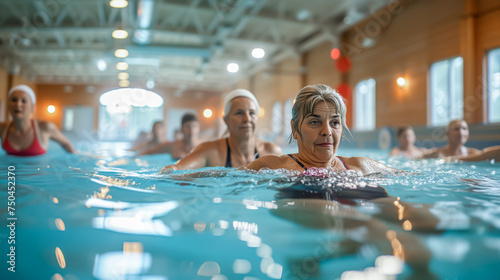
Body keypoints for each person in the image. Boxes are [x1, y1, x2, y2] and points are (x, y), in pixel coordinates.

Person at [246, 84, 396, 176]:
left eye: (335, 122)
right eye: (315, 122)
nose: (327, 131)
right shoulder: (271, 167)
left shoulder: (360, 167)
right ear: (295, 129)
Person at [161, 89, 282, 171]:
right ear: (226, 120)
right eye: (239, 113)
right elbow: (177, 170)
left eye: (252, 113)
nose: (247, 119)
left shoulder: (271, 151)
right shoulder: (210, 151)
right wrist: (171, 170)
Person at [0, 84, 76, 156]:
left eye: (24, 101)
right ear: (8, 105)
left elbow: (66, 144)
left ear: (32, 107)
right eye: (14, 100)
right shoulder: (2, 128)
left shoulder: (45, 127)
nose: (18, 104)